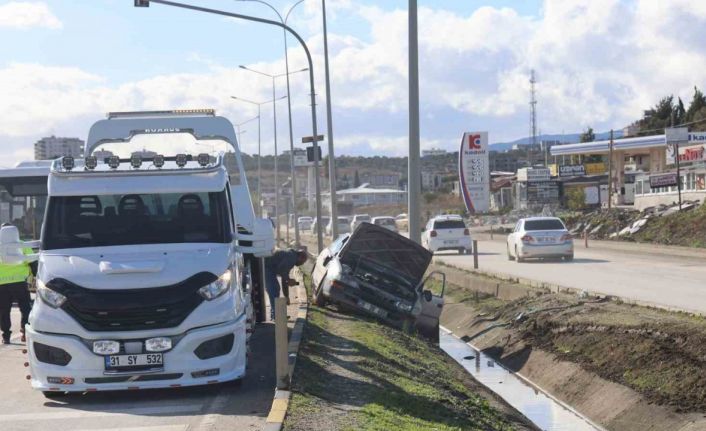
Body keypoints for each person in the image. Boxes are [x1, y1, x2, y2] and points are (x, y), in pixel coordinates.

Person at [0, 223, 34, 344]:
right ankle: (25, 332)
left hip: (2, 284)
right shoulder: (22, 244)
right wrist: (36, 276)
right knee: (25, 308)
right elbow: (32, 261)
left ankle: (6, 336)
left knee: (4, 311)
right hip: (20, 283)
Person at [264, 249, 307, 320]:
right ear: (300, 257)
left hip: (269, 268)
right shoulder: (291, 258)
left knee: (275, 289)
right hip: (267, 268)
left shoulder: (291, 257)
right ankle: (276, 316)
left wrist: (286, 296)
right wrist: (288, 279)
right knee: (274, 289)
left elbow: (284, 279)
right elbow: (282, 270)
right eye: (303, 262)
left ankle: (275, 314)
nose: (302, 264)